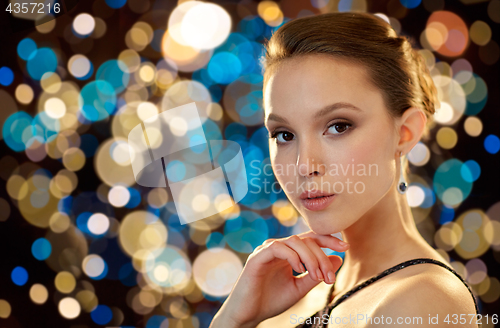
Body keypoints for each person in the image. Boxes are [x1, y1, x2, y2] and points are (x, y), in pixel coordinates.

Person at [209, 12, 480, 328]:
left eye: (338, 126)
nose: (305, 165)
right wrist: (233, 319)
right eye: (284, 134)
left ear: (405, 133)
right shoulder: (289, 296)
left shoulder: (424, 300)